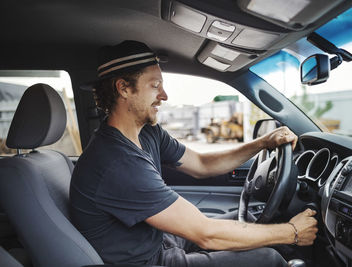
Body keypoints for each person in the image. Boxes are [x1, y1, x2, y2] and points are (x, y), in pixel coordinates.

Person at [70, 40, 318, 267]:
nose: (164, 96)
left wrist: (262, 143)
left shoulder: (148, 133)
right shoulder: (116, 161)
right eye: (155, 85)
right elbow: (206, 233)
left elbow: (201, 164)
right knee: (268, 259)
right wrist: (293, 232)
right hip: (149, 261)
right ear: (124, 88)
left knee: (255, 221)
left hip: (161, 242)